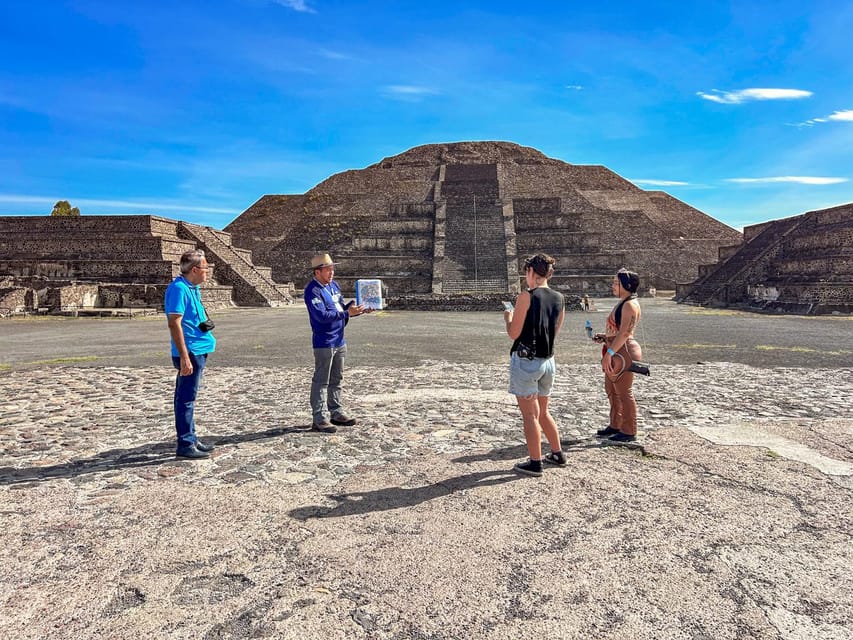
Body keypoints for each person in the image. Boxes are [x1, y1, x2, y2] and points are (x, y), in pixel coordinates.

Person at [504, 253, 566, 477]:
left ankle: (535, 461)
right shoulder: (559, 298)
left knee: (530, 415)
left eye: (526, 273)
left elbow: (513, 333)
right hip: (548, 362)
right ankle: (557, 453)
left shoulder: (526, 297)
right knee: (543, 412)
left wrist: (508, 318)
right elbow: (554, 332)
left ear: (531, 272)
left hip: (527, 362)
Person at [304, 253, 371, 433]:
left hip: (339, 339)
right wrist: (348, 313)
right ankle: (319, 417)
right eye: (328, 269)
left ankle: (336, 411)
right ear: (317, 272)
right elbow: (322, 316)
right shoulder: (313, 290)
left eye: (332, 268)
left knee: (337, 378)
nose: (332, 272)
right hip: (324, 341)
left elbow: (340, 309)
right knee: (321, 380)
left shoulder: (334, 286)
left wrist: (358, 308)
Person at [164, 249, 217, 459]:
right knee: (185, 398)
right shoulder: (178, 289)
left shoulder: (191, 287)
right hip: (190, 351)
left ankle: (192, 438)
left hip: (199, 348)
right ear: (195, 270)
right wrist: (184, 356)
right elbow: (173, 323)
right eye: (205, 268)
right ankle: (185, 443)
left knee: (190, 397)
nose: (207, 272)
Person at [593, 268, 643, 443]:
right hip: (615, 348)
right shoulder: (624, 302)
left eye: (616, 283)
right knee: (612, 390)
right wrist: (605, 337)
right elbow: (617, 332)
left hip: (622, 351)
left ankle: (629, 430)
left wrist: (610, 352)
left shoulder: (629, 305)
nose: (613, 286)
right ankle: (616, 424)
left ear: (626, 285)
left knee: (623, 391)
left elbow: (624, 333)